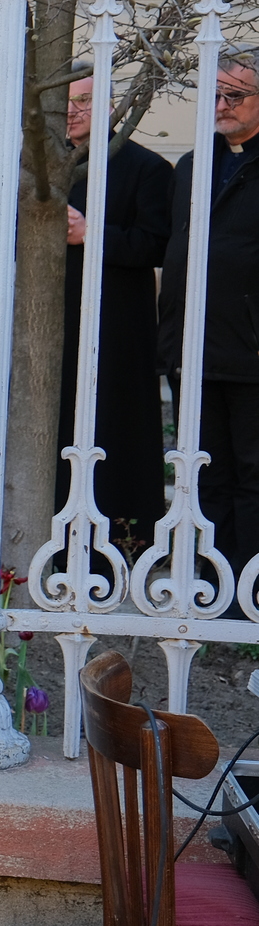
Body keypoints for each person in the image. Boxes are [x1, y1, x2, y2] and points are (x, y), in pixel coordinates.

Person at [58, 71, 172, 544]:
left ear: (110, 104)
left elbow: (156, 246)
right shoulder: (40, 168)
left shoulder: (146, 167)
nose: (72, 111)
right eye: (65, 101)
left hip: (118, 322)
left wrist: (92, 233)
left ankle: (125, 538)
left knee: (116, 424)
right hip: (50, 322)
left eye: (85, 100)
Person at [159, 47, 259, 577]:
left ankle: (250, 589)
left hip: (249, 350)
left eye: (235, 96)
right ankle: (210, 584)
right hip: (192, 348)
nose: (221, 105)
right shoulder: (194, 164)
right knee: (203, 472)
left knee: (253, 474)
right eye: (215, 95)